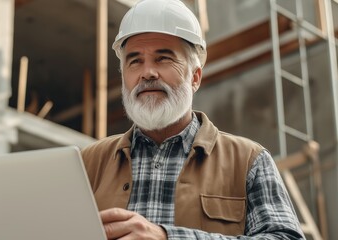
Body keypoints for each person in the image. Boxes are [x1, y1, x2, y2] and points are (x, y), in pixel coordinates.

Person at [81, 0, 305, 239]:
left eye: (163, 58)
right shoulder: (87, 164)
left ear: (195, 77)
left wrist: (168, 237)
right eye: (135, 61)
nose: (147, 72)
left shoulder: (249, 162)